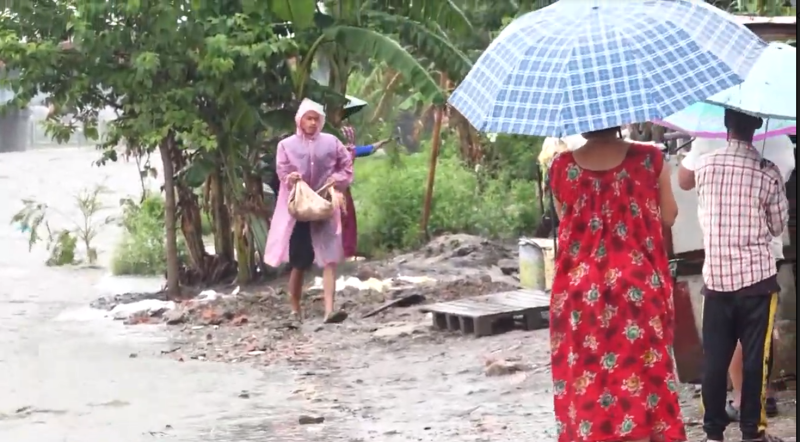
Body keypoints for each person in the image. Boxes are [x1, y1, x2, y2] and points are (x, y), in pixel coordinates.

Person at [548, 127, 685, 442]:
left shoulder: (561, 167)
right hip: (636, 286)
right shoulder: (649, 158)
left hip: (579, 294)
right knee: (643, 376)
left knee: (589, 381)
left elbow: (565, 216)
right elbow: (670, 214)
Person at [686, 109, 789, 442]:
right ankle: (752, 433)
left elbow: (691, 187)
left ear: (725, 125)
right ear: (757, 126)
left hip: (716, 279)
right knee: (755, 359)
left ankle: (713, 432)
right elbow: (777, 225)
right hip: (757, 281)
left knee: (715, 359)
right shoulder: (768, 173)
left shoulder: (705, 166)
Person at [263, 99, 354, 324]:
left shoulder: (332, 143)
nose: (313, 123)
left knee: (330, 258)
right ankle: (295, 310)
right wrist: (290, 178)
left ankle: (329, 310)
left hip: (323, 206)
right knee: (299, 260)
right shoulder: (286, 146)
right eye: (308, 118)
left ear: (321, 121)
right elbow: (282, 171)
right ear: (300, 120)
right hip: (300, 210)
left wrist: (337, 179)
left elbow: (346, 166)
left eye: (316, 119)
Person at [339, 124, 389, 258]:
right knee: (347, 221)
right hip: (343, 190)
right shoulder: (351, 151)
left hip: (327, 189)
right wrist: (382, 142)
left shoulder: (333, 149)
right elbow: (369, 149)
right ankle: (346, 251)